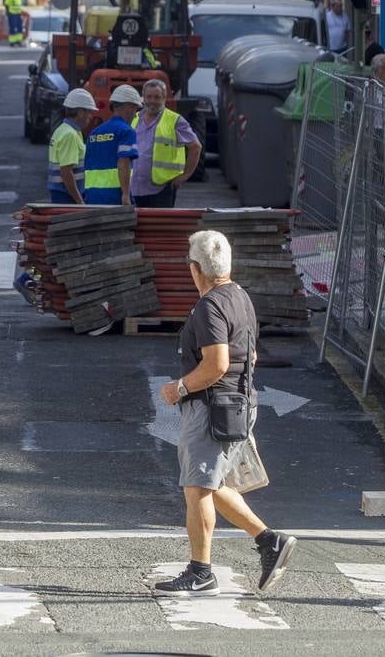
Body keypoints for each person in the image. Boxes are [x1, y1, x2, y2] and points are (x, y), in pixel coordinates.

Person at [154, 230, 296, 597]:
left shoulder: (209, 306)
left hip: (211, 407)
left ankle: (201, 571)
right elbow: (249, 356)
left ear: (195, 269)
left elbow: (216, 363)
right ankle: (269, 541)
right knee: (211, 485)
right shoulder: (240, 298)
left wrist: (179, 388)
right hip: (236, 404)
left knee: (197, 489)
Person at [130, 79, 201, 209]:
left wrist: (185, 176)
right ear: (143, 98)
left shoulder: (175, 120)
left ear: (164, 98)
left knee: (157, 227)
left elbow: (195, 147)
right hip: (134, 188)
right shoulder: (135, 118)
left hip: (161, 188)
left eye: (157, 97)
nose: (152, 101)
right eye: (149, 97)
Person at [83, 84, 142, 205]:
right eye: (135, 109)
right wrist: (126, 194)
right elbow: (123, 163)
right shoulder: (126, 131)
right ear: (130, 107)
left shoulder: (95, 133)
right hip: (115, 196)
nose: (135, 115)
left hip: (91, 196)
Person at [48, 89, 96, 204]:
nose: (90, 117)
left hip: (61, 193)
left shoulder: (63, 130)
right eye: (89, 112)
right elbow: (66, 172)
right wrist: (79, 201)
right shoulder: (70, 135)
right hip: (67, 196)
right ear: (80, 112)